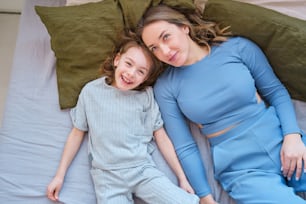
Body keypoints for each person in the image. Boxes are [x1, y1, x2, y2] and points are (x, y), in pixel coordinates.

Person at [136, 4, 306, 204]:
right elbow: (185, 146)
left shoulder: (238, 48)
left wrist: (292, 135)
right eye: (154, 48)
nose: (164, 51)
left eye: (166, 37)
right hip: (242, 170)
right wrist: (204, 196)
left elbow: (276, 92)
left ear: (184, 27)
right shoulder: (165, 87)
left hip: (282, 141)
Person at [46, 31, 199, 204]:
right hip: (107, 177)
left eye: (141, 72)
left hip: (141, 170)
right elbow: (76, 133)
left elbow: (161, 136)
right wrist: (59, 176)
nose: (131, 73)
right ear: (117, 60)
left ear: (145, 79)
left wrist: (182, 178)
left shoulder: (146, 95)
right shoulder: (91, 92)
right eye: (128, 64)